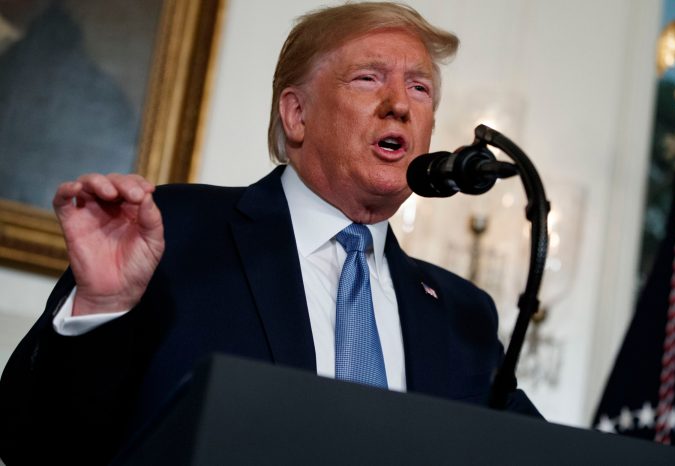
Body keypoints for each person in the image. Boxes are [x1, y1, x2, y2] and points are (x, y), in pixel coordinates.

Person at [0, 2, 540, 464]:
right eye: (369, 78)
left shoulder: (462, 315)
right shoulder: (172, 234)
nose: (399, 102)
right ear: (296, 113)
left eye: (419, 87)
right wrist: (101, 308)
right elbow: (33, 445)